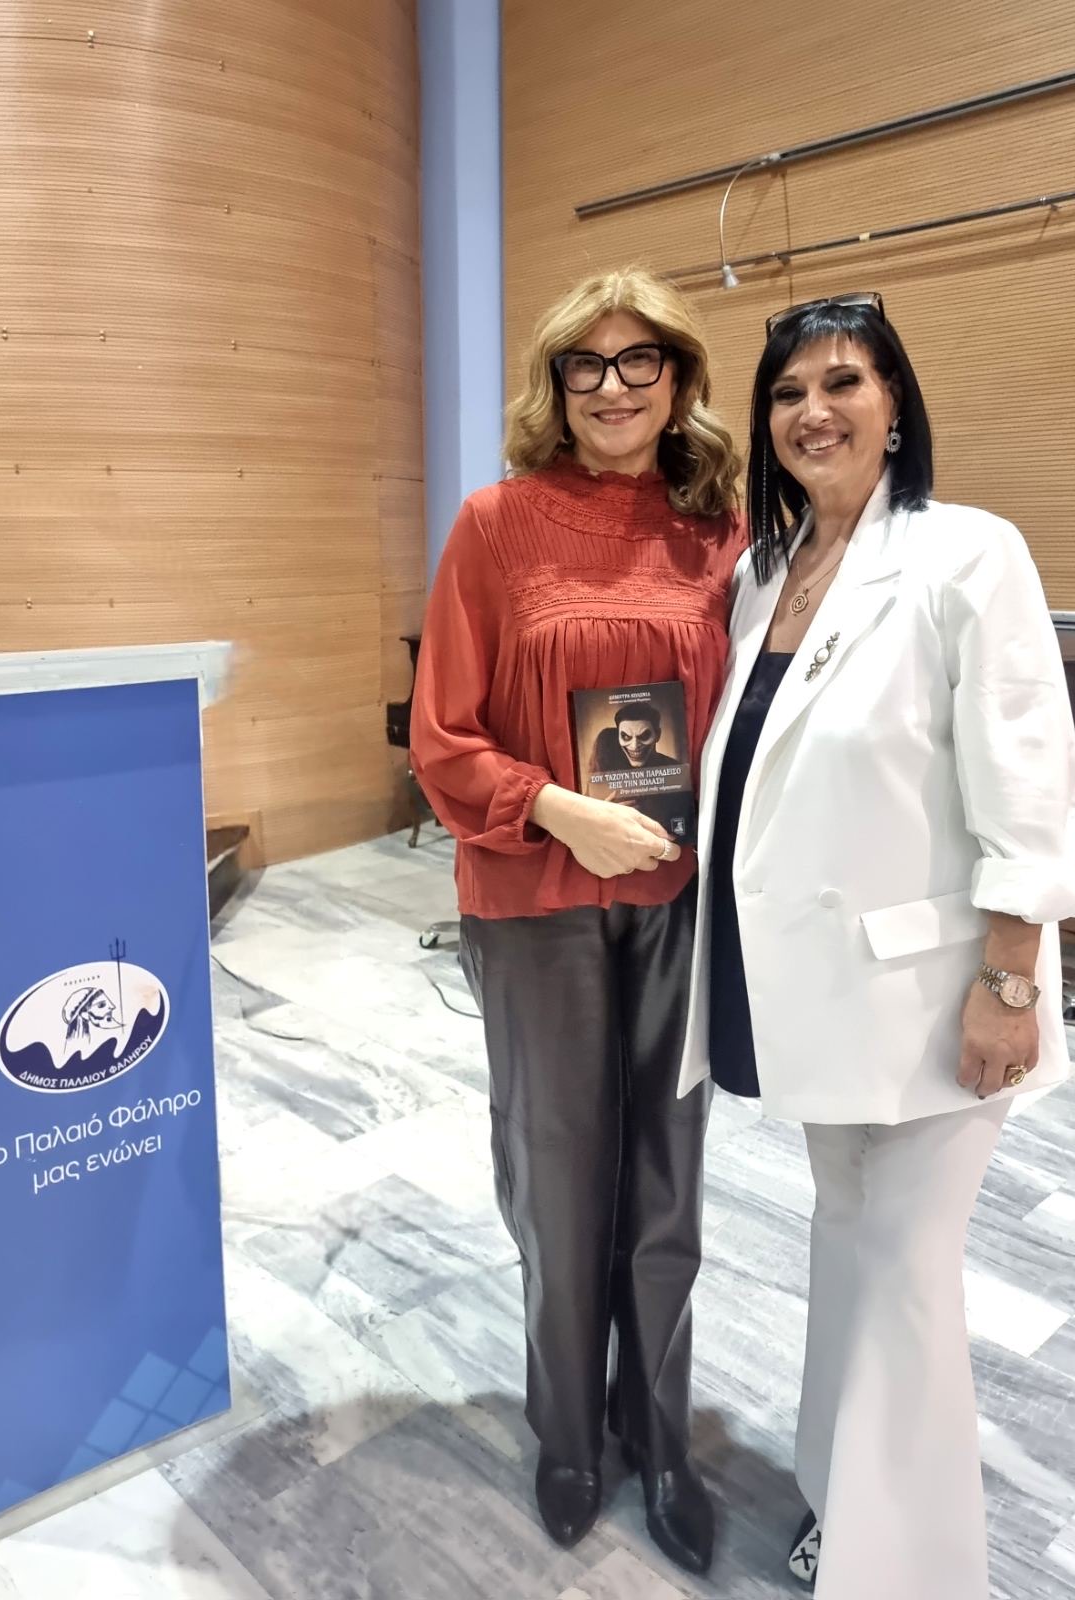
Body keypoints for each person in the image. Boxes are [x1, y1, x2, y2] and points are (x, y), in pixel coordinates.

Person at [677, 291, 1075, 1598]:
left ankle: (905, 1571)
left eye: (843, 382)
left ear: (895, 403)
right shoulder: (765, 574)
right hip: (818, 995)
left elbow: (1030, 784)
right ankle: (835, 1495)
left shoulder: (969, 554)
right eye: (788, 392)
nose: (815, 411)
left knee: (906, 1273)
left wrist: (1010, 979)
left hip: (938, 996)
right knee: (845, 1235)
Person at [410, 266, 743, 1572]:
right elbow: (443, 737)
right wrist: (557, 810)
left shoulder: (720, 536)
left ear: (680, 378)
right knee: (557, 1177)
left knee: (667, 1178)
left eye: (638, 361)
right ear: (556, 385)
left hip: (677, 904)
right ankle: (566, 1436)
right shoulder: (495, 526)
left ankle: (657, 1431)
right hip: (536, 900)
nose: (612, 388)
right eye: (585, 365)